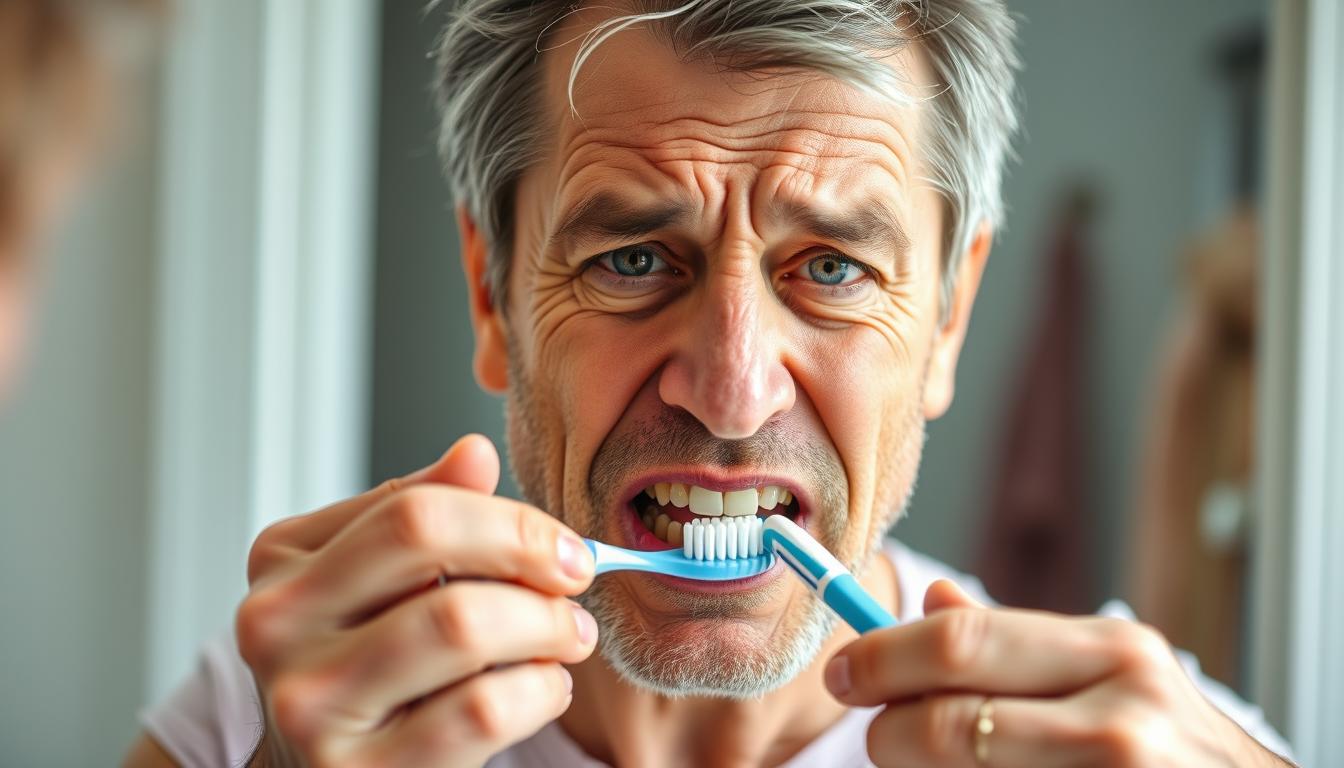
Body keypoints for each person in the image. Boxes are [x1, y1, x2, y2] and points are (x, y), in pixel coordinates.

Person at [125, 1, 1295, 765]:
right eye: (634, 260)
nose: (733, 393)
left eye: (831, 269)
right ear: (491, 295)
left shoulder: (1147, 746)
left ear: (947, 318)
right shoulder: (297, 708)